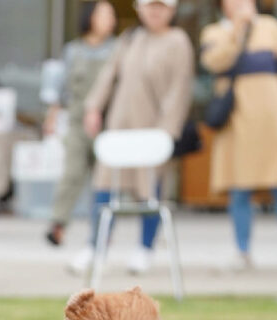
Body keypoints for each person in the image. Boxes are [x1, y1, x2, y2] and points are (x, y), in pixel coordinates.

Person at [77, 0, 193, 277]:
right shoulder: (130, 38)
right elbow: (109, 76)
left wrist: (167, 133)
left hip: (153, 130)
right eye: (150, 7)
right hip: (120, 126)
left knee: (150, 190)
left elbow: (180, 89)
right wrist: (93, 107)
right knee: (104, 187)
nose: (155, 12)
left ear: (171, 10)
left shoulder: (178, 42)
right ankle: (97, 246)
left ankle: (145, 248)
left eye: (161, 7)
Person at [198, 0, 277, 271]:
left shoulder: (271, 27)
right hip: (236, 122)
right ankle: (242, 251)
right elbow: (215, 63)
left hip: (273, 119)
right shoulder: (215, 33)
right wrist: (238, 32)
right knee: (239, 188)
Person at [45, 1, 120, 248]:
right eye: (103, 15)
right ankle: (58, 224)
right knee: (72, 175)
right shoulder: (73, 51)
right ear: (90, 18)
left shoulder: (118, 49)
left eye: (111, 16)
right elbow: (61, 89)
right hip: (78, 124)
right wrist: (52, 117)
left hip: (109, 127)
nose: (109, 20)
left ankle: (101, 233)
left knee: (104, 182)